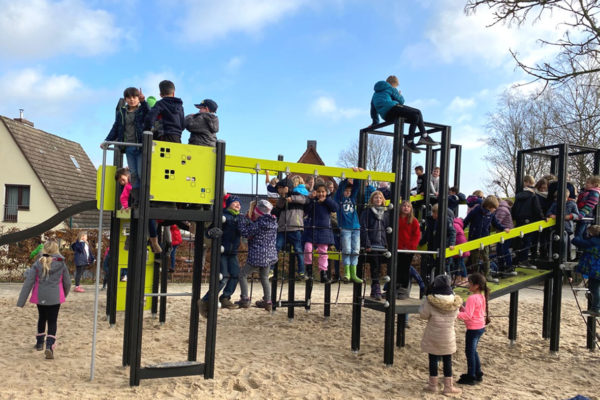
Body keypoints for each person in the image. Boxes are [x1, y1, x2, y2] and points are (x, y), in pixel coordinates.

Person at [17, 240, 71, 359]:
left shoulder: (37, 263)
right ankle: (50, 346)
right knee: (52, 321)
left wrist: (21, 302)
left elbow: (29, 282)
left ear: (44, 250)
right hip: (55, 297)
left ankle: (40, 343)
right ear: (56, 250)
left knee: (42, 317)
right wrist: (63, 295)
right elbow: (67, 283)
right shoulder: (62, 264)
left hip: (40, 296)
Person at [370, 75, 438, 153]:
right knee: (418, 111)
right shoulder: (390, 88)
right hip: (392, 108)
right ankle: (424, 136)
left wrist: (375, 122)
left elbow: (373, 110)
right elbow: (401, 101)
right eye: (396, 86)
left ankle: (409, 141)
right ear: (393, 84)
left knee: (415, 117)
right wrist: (399, 94)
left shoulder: (375, 94)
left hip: (386, 116)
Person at [420, 274, 463, 395]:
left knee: (433, 359)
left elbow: (423, 315)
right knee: (447, 360)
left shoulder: (430, 301)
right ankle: (448, 387)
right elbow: (456, 315)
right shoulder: (455, 302)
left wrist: (423, 303)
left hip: (433, 335)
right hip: (448, 335)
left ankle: (433, 385)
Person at [199, 196, 242, 315]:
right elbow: (209, 231)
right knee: (223, 278)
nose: (238, 205)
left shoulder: (239, 218)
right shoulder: (222, 216)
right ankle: (205, 300)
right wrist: (210, 233)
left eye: (239, 203)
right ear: (228, 205)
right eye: (235, 203)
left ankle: (225, 297)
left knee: (235, 275)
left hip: (232, 252)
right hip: (222, 251)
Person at [103, 87, 149, 199]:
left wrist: (144, 102)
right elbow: (116, 128)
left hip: (140, 146)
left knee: (140, 173)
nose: (132, 100)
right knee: (132, 174)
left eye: (134, 97)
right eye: (129, 98)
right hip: (128, 146)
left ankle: (145, 199)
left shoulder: (142, 110)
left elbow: (149, 113)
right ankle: (137, 200)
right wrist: (107, 141)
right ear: (125, 99)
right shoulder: (122, 112)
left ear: (138, 98)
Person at [236, 200, 278, 311]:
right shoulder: (273, 223)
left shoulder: (259, 223)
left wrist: (241, 220)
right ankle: (268, 301)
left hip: (257, 255)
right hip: (269, 256)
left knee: (242, 275)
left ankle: (245, 298)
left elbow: (246, 233)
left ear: (258, 211)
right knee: (264, 277)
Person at [463, 196, 510, 283]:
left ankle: (487, 276)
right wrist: (460, 231)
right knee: (475, 258)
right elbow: (466, 221)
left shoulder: (491, 214)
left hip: (485, 239)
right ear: (489, 206)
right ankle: (476, 277)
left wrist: (503, 228)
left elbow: (496, 223)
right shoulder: (476, 211)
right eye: (494, 208)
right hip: (474, 238)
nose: (495, 210)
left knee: (486, 257)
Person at [115, 168, 162, 253]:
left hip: (148, 201)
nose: (122, 182)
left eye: (122, 180)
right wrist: (125, 207)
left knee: (151, 221)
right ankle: (149, 242)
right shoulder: (127, 186)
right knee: (140, 222)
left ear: (128, 175)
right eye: (120, 181)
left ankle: (154, 242)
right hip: (138, 204)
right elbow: (123, 197)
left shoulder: (136, 178)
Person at [456, 272, 489, 385]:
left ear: (476, 286)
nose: (468, 285)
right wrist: (462, 308)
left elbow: (468, 316)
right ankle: (477, 373)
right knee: (473, 351)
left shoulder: (472, 298)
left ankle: (471, 376)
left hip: (473, 329)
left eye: (469, 284)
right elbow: (473, 312)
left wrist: (454, 314)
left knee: (469, 352)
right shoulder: (481, 296)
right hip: (480, 327)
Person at [303, 182, 339, 284]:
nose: (321, 194)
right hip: (312, 229)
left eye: (323, 192)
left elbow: (335, 208)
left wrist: (326, 200)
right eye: (318, 192)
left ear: (326, 192)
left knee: (323, 252)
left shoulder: (328, 201)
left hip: (324, 230)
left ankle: (323, 273)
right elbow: (306, 210)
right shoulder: (312, 201)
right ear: (315, 192)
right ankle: (308, 270)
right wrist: (312, 200)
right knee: (308, 248)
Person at [275, 178, 308, 278]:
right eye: (279, 189)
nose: (279, 190)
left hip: (295, 227)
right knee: (276, 247)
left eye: (281, 188)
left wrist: (292, 198)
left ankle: (301, 271)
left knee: (298, 249)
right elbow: (279, 206)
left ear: (287, 187)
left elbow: (304, 200)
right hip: (283, 228)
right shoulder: (281, 198)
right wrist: (284, 197)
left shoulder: (297, 194)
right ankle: (271, 269)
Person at [360, 190, 390, 300]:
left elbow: (388, 229)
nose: (378, 200)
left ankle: (389, 287)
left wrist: (388, 244)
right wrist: (367, 243)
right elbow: (363, 228)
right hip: (372, 244)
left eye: (380, 198)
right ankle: (376, 286)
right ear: (372, 200)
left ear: (383, 200)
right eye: (376, 198)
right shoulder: (367, 212)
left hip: (383, 244)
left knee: (391, 263)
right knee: (375, 263)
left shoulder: (386, 214)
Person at [334, 169, 363, 283]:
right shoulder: (339, 199)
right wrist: (346, 178)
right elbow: (340, 188)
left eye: (348, 191)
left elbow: (356, 186)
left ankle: (354, 273)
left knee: (356, 250)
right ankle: (347, 272)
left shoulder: (352, 199)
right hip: (345, 227)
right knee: (346, 249)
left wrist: (358, 174)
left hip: (356, 227)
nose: (347, 192)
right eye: (346, 191)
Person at [512, 175, 545, 267]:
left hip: (519, 220)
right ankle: (524, 260)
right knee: (528, 241)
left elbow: (514, 208)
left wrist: (514, 217)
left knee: (519, 239)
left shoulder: (518, 196)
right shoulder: (533, 195)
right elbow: (537, 208)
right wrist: (542, 217)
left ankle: (516, 260)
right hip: (529, 220)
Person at [419, 204, 456, 284]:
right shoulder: (431, 221)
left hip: (443, 248)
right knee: (432, 267)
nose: (433, 214)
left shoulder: (446, 221)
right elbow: (427, 234)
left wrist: (452, 244)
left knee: (445, 268)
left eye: (435, 213)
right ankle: (433, 285)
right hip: (433, 248)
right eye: (433, 212)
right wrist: (421, 243)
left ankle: (447, 285)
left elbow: (452, 233)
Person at [395, 200, 421, 299]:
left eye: (408, 206)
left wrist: (410, 247)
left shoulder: (413, 221)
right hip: (396, 248)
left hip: (407, 250)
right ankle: (394, 287)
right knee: (395, 268)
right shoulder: (396, 219)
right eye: (404, 206)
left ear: (411, 209)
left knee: (405, 268)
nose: (406, 208)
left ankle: (403, 289)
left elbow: (417, 235)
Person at [573, 223, 600, 316]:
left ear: (592, 233)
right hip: (596, 269)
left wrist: (578, 233)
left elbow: (577, 242)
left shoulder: (594, 241)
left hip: (596, 270)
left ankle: (596, 308)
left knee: (594, 288)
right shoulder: (596, 240)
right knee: (594, 287)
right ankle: (595, 308)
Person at [494, 198, 515, 275]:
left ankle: (507, 266)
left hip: (505, 232)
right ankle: (504, 266)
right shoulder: (504, 208)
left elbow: (497, 221)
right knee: (501, 249)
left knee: (502, 249)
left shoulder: (502, 209)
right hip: (505, 231)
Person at [450, 217, 470, 285]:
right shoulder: (457, 224)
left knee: (460, 262)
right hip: (460, 244)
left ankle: (464, 278)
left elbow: (452, 234)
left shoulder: (454, 225)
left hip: (459, 245)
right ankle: (458, 278)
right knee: (458, 262)